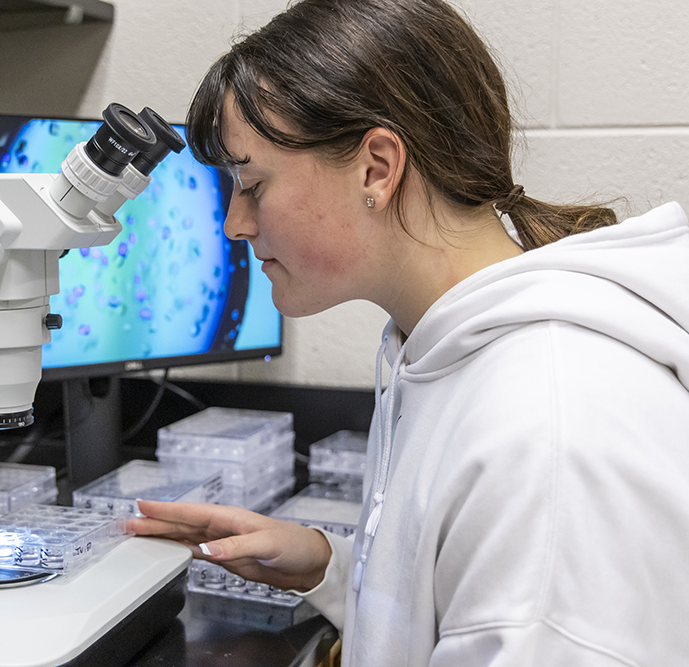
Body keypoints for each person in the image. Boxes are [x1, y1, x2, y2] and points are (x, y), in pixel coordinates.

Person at [127, 0, 689, 665]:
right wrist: (333, 567)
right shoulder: (436, 346)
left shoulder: (545, 429)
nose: (235, 224)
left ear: (377, 168)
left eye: (251, 183)